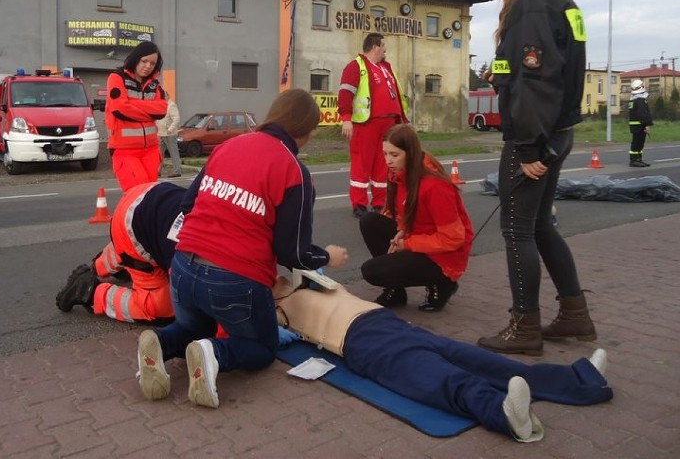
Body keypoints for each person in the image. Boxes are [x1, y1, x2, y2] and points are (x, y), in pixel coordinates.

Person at [135, 88, 349, 408]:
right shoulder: (294, 171)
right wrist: (327, 257)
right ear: (306, 132)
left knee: (194, 327)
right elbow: (292, 252)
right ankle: (213, 353)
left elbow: (187, 203)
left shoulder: (229, 146)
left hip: (182, 266)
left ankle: (160, 342)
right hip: (234, 279)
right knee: (262, 348)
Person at [272, 276, 612, 443]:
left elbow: (309, 258)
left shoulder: (310, 283)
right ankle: (505, 415)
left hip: (388, 323)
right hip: (362, 343)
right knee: (439, 377)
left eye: (278, 273)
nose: (278, 277)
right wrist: (275, 321)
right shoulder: (277, 311)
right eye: (271, 280)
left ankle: (579, 379)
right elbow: (259, 330)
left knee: (479, 360)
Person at [477, 0, 595, 356]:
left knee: (517, 229)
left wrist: (527, 148)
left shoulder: (529, 6)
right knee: (541, 225)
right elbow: (550, 70)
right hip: (559, 131)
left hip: (535, 136)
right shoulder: (560, 1)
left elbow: (536, 80)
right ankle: (575, 315)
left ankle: (524, 326)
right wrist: (501, 78)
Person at [359, 124, 473, 311]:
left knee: (372, 271)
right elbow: (404, 209)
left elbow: (453, 238)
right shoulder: (399, 173)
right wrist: (402, 230)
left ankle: (443, 283)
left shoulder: (435, 186)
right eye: (385, 153)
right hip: (420, 236)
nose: (388, 161)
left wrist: (408, 244)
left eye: (394, 155)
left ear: (410, 153)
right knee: (369, 221)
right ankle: (395, 292)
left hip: (444, 256)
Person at [55, 181, 186, 324]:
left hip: (151, 193)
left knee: (132, 244)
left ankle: (99, 266)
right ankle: (88, 290)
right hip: (132, 226)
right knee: (161, 310)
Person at [337, 33, 409, 218]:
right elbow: (345, 93)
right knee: (362, 164)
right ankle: (359, 204)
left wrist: (401, 120)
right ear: (376, 46)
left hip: (389, 124)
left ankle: (380, 203)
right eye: (384, 45)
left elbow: (396, 96)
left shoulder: (386, 67)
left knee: (383, 165)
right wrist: (346, 118)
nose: (386, 49)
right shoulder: (356, 66)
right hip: (366, 124)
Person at [105, 41, 168, 191]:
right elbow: (120, 109)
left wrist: (132, 103)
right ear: (136, 58)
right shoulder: (117, 77)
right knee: (136, 194)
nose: (148, 66)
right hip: (125, 150)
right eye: (144, 61)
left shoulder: (154, 84)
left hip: (151, 150)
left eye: (152, 63)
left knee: (149, 195)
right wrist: (149, 111)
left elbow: (162, 110)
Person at [627, 79, 653, 167]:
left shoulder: (633, 100)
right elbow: (643, 114)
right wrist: (646, 125)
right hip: (640, 125)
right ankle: (635, 160)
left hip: (635, 125)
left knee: (637, 143)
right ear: (641, 87)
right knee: (638, 143)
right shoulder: (640, 100)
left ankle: (638, 159)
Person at [157, 98, 183, 177]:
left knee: (173, 153)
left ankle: (177, 171)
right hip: (160, 133)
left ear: (166, 96)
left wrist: (170, 129)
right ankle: (157, 171)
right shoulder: (161, 105)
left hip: (169, 134)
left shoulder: (171, 105)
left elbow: (176, 119)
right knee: (159, 154)